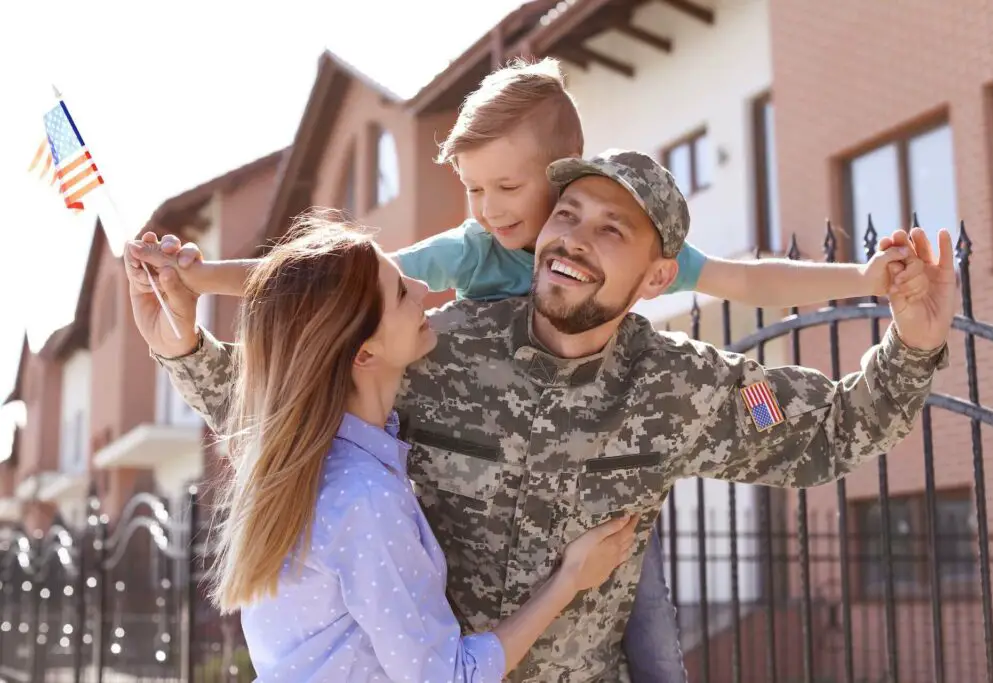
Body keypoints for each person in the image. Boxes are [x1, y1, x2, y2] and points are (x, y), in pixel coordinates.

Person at [157, 58, 913, 683]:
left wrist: (904, 327)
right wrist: (185, 334)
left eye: (610, 228)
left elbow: (829, 425)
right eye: (569, 213)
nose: (571, 238)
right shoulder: (429, 341)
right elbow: (296, 388)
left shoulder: (690, 389)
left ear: (655, 276)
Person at [190, 214, 642, 682]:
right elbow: (448, 677)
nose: (424, 288)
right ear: (364, 354)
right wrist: (570, 580)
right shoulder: (363, 496)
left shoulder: (316, 470)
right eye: (402, 292)